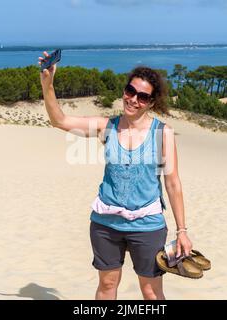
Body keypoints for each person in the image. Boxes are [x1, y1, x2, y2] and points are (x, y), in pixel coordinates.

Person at [39, 51, 193, 300]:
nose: (133, 99)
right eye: (130, 91)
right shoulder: (106, 126)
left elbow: (173, 184)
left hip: (147, 225)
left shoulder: (162, 133)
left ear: (151, 102)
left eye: (143, 97)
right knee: (108, 285)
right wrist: (48, 84)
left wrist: (182, 230)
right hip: (105, 224)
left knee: (151, 291)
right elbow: (59, 120)